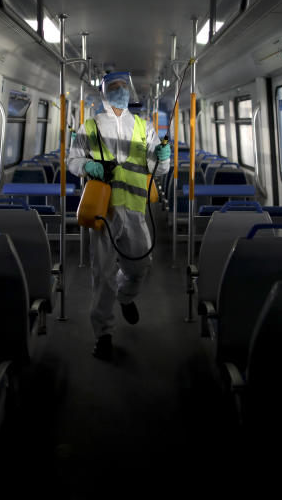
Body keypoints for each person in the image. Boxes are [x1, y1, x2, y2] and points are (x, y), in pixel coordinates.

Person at [67, 71, 171, 360]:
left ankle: (126, 297)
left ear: (130, 92)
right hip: (104, 211)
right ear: (104, 93)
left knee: (140, 265)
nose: (120, 91)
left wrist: (164, 159)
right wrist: (90, 167)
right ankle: (103, 334)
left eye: (124, 87)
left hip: (136, 209)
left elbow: (157, 170)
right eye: (114, 87)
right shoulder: (89, 127)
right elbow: (72, 160)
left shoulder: (142, 126)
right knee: (102, 275)